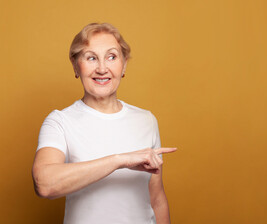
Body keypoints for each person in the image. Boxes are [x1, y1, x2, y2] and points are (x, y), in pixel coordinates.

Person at [32, 23, 177, 224]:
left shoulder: (147, 120)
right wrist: (119, 160)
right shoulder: (59, 122)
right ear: (76, 66)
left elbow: (156, 199)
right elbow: (44, 184)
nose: (102, 68)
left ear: (124, 64)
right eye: (91, 58)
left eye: (112, 57)